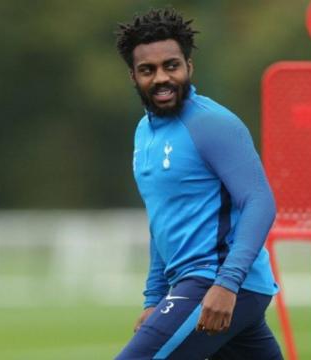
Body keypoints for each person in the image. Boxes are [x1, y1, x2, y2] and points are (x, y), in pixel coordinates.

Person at [114, 8, 283, 360]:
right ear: (133, 76)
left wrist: (226, 283)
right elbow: (162, 220)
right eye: (148, 70)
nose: (161, 78)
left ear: (189, 67)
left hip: (217, 283)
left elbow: (259, 201)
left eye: (170, 65)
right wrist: (154, 298)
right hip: (203, 285)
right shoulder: (144, 132)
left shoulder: (211, 123)